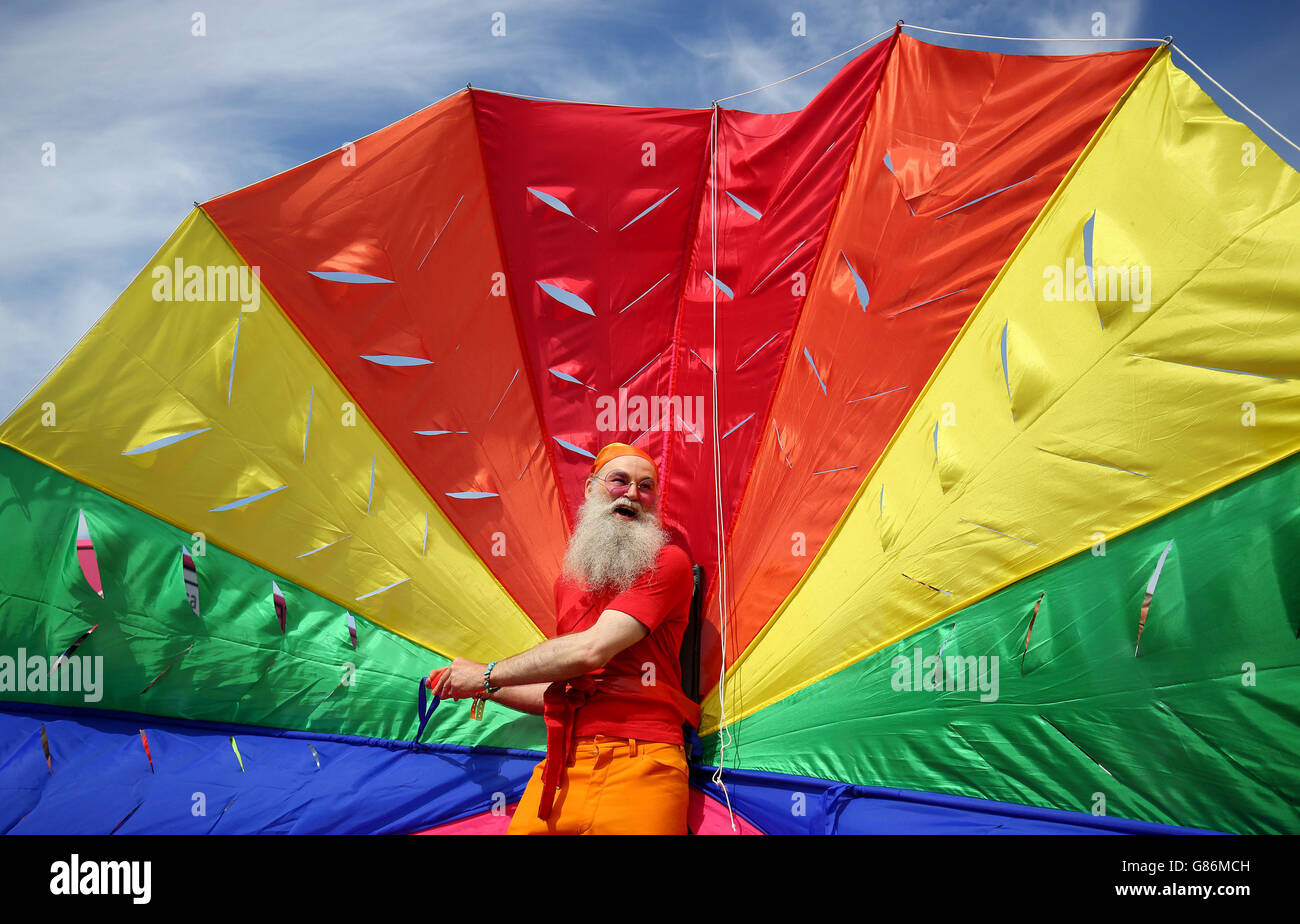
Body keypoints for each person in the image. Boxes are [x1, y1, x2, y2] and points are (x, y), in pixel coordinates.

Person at [427, 441, 699, 834]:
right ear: (591, 489)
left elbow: (591, 650)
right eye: (619, 481)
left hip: (644, 762)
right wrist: (479, 688)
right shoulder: (568, 581)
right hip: (564, 764)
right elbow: (563, 689)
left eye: (646, 487)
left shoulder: (668, 561)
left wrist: (486, 674)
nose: (633, 495)